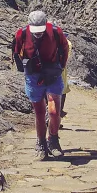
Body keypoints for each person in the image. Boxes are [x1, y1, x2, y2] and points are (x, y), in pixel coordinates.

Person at [13, 10, 69, 160]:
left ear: (46, 25)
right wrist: (26, 68)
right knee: (38, 112)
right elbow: (16, 51)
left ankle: (53, 140)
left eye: (41, 31)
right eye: (35, 32)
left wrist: (61, 66)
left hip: (52, 75)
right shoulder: (22, 33)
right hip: (33, 77)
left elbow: (65, 48)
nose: (38, 34)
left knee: (53, 111)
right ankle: (41, 144)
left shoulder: (55, 31)